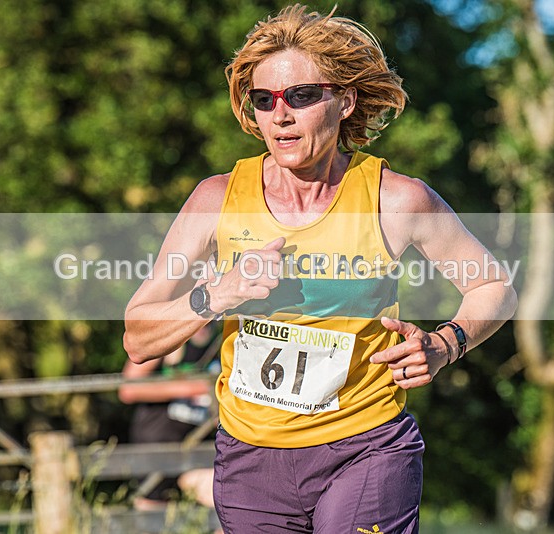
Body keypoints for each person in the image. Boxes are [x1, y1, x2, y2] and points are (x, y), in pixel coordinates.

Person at [124, 4, 517, 533]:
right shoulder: (216, 200)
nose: (280, 115)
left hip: (366, 447)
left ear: (345, 101)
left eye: (303, 95)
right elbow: (138, 336)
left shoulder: (396, 200)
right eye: (264, 100)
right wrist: (215, 295)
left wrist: (447, 344)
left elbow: (494, 286)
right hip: (250, 460)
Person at [118, 324, 218, 510]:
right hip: (156, 447)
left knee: (226, 500)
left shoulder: (223, 337)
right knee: (152, 518)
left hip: (197, 447)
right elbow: (128, 388)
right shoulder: (166, 332)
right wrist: (193, 388)